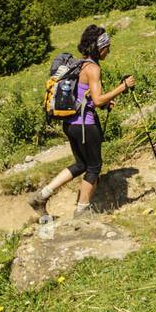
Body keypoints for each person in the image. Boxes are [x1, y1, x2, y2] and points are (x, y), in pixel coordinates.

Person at [29, 25, 134, 219]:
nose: (108, 50)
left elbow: (84, 97)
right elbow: (97, 99)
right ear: (98, 47)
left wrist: (102, 103)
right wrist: (123, 87)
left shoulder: (79, 65)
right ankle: (82, 211)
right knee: (94, 166)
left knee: (80, 165)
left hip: (70, 124)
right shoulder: (93, 69)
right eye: (107, 47)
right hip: (85, 125)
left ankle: (41, 196)